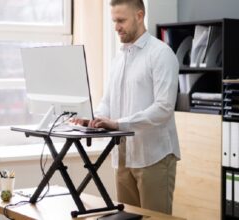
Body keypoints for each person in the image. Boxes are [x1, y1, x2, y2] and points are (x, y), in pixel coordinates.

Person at [73, 0, 180, 215]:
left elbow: (164, 108)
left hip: (153, 157)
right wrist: (92, 118)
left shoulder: (161, 54)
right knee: (126, 218)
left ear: (139, 16)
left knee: (154, 219)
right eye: (114, 21)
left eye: (121, 20)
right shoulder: (119, 59)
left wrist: (118, 124)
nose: (116, 27)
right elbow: (109, 102)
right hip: (123, 156)